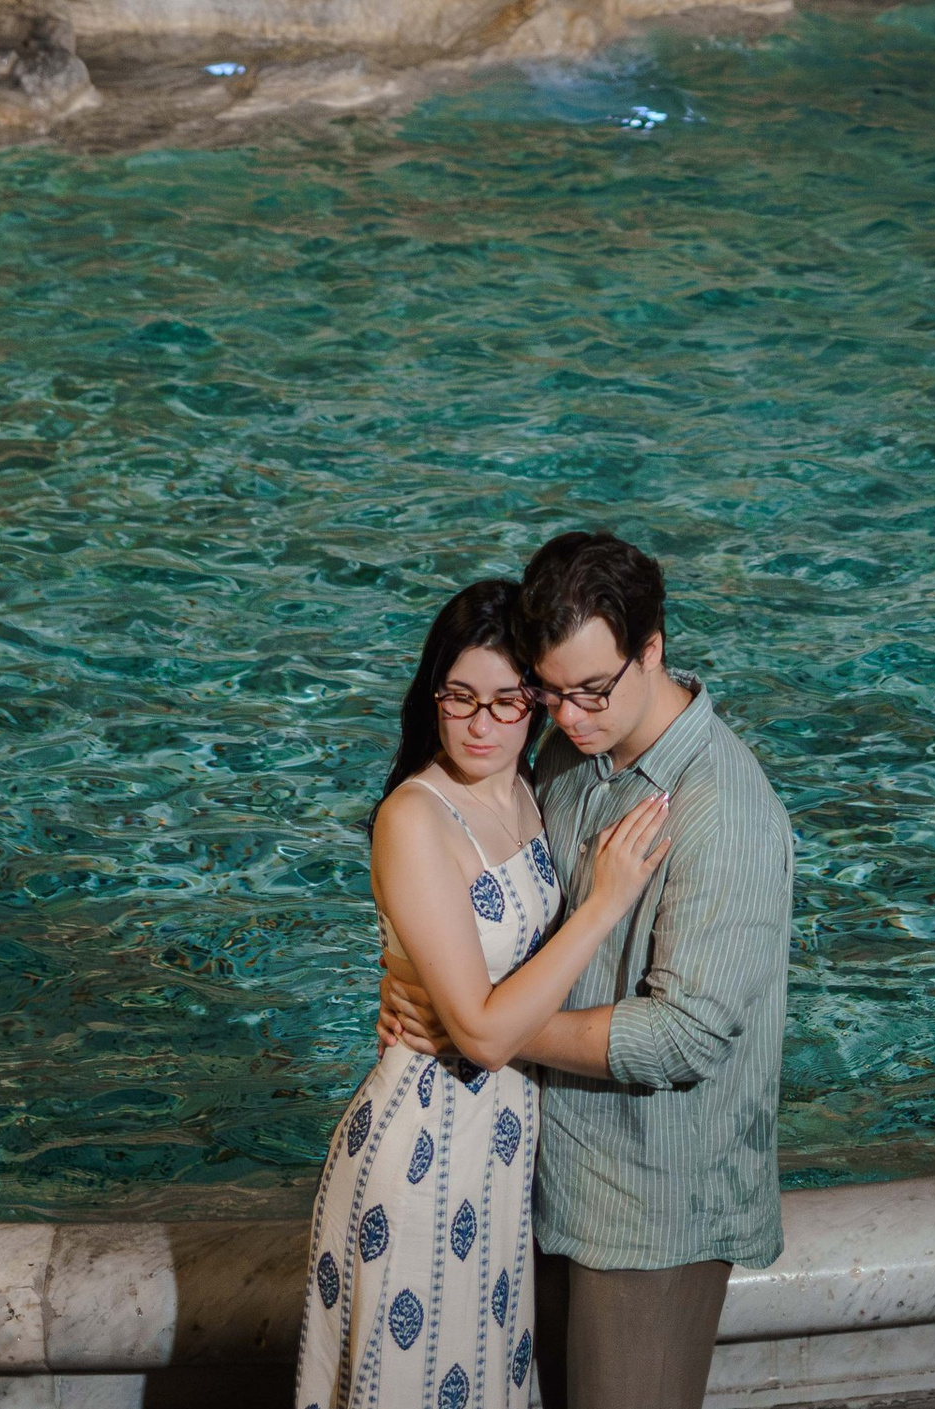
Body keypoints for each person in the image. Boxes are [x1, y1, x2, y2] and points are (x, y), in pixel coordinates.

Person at [379, 533, 794, 1409]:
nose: (567, 717)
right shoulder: (574, 752)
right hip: (536, 1176)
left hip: (649, 1211)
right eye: (552, 691)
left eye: (592, 689)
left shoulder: (725, 811)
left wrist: (484, 1029)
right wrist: (428, 980)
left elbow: (682, 1034)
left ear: (652, 648)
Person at [299, 579, 674, 1409]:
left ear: (536, 706)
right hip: (423, 1158)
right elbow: (484, 1034)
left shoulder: (532, 788)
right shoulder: (416, 816)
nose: (480, 724)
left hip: (499, 1163)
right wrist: (606, 901)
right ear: (433, 695)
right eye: (460, 697)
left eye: (507, 701)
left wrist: (408, 979)